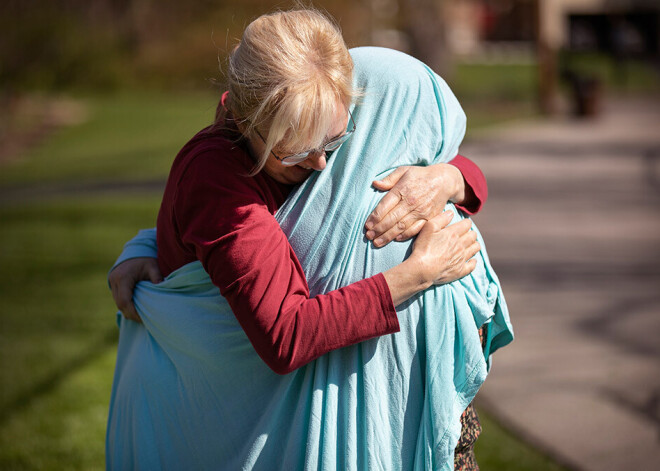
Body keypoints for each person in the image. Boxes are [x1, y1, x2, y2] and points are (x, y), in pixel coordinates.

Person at [106, 9, 512, 471]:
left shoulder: (308, 113)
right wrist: (418, 274)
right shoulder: (220, 179)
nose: (321, 165)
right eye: (299, 151)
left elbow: (467, 170)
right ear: (242, 120)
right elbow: (286, 335)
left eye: (335, 143)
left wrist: (446, 179)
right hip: (216, 425)